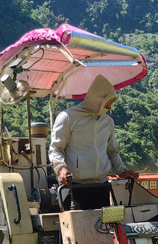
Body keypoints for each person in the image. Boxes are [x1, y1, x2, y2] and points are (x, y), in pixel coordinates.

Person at [49, 75, 138, 210]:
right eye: (107, 102)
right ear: (97, 100)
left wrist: (122, 170)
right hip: (74, 187)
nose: (109, 107)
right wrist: (61, 169)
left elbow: (112, 152)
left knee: (102, 223)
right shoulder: (68, 117)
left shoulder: (107, 121)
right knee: (75, 223)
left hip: (101, 186)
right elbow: (56, 149)